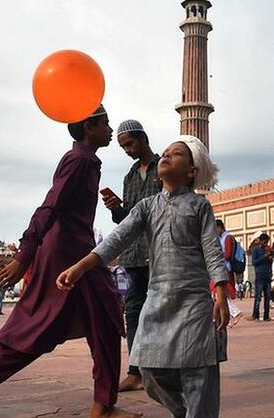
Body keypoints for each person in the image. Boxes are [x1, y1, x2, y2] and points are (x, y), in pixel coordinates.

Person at [0, 105, 134, 418]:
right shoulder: (78, 160)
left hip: (74, 252)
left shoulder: (87, 160)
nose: (110, 128)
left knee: (60, 326)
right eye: (106, 123)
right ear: (89, 128)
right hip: (69, 256)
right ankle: (102, 405)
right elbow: (49, 206)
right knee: (68, 322)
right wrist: (25, 255)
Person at [58, 135, 229, 418]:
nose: (166, 156)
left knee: (198, 373)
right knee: (149, 371)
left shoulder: (199, 207)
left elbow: (212, 248)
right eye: (166, 152)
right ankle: (184, 412)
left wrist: (221, 291)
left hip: (194, 301)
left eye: (176, 154)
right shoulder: (148, 206)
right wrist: (80, 266)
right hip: (158, 297)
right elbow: (117, 239)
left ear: (191, 171)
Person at [99, 119, 161, 393]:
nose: (127, 150)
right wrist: (116, 209)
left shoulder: (166, 167)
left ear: (143, 138)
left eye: (130, 144)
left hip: (160, 253)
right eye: (123, 146)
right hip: (134, 255)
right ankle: (136, 371)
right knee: (134, 312)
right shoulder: (130, 176)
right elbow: (127, 222)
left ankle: (162, 369)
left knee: (161, 313)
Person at [249, 233, 274, 321]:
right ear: (261, 241)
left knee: (267, 297)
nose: (266, 244)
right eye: (264, 242)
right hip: (260, 275)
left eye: (267, 242)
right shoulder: (255, 250)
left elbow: (270, 262)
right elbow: (254, 262)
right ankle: (256, 314)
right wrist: (264, 257)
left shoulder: (268, 250)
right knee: (258, 297)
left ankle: (266, 315)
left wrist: (271, 257)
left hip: (267, 275)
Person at [215, 219, 243, 327]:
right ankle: (228, 316)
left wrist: (215, 255)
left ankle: (233, 313)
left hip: (225, 269)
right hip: (222, 269)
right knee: (222, 295)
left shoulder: (227, 238)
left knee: (218, 293)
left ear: (220, 227)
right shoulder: (222, 238)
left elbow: (228, 255)